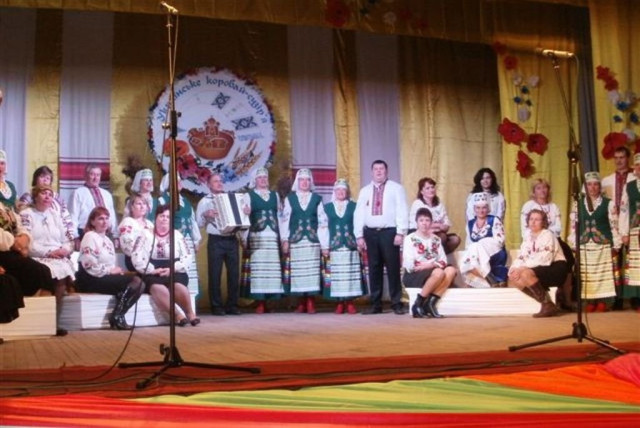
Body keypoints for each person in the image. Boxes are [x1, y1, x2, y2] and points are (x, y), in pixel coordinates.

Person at [354, 160, 409, 315]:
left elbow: (402, 209)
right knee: (374, 268)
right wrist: (359, 235)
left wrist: (400, 232)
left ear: (386, 171)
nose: (378, 171)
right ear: (372, 172)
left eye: (381, 169)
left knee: (393, 268)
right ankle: (376, 304)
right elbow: (359, 213)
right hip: (370, 233)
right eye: (376, 169)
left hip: (389, 232)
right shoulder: (365, 191)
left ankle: (396, 303)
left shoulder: (396, 188)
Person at [131, 204, 199, 326]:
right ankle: (177, 315)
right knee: (157, 287)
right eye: (162, 216)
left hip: (174, 269)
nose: (164, 219)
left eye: (168, 217)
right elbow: (136, 255)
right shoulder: (145, 234)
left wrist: (173, 269)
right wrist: (151, 270)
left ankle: (190, 314)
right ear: (156, 217)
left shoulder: (177, 235)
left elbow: (188, 255)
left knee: (178, 286)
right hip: (152, 271)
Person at [76, 207, 144, 330]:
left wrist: (116, 271)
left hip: (103, 275)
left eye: (107, 218)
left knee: (138, 281)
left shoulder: (108, 241)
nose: (104, 222)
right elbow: (88, 264)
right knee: (136, 282)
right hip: (90, 278)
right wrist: (109, 271)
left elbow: (109, 263)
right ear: (92, 222)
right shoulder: (90, 236)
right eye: (100, 219)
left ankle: (118, 315)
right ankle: (117, 316)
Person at [568, 172, 621, 312]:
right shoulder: (577, 204)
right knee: (587, 274)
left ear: (600, 186)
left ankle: (604, 301)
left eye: (596, 184)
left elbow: (614, 225)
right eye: (589, 184)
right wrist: (574, 241)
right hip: (585, 243)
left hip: (603, 243)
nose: (592, 187)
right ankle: (590, 301)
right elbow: (574, 225)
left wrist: (616, 243)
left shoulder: (608, 203)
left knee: (604, 273)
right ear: (585, 187)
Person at [520, 178, 575, 311]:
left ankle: (566, 298)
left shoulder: (553, 206)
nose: (542, 191)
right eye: (538, 188)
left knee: (569, 259)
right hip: (534, 240)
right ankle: (545, 299)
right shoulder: (528, 206)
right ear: (534, 191)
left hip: (553, 239)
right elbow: (525, 229)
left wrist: (546, 233)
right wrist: (538, 235)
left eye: (544, 187)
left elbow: (558, 228)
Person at [279, 168, 329, 314]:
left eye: (307, 180)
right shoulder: (290, 199)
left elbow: (322, 222)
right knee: (298, 272)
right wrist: (285, 239)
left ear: (310, 182)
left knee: (312, 272)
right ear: (297, 182)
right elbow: (285, 220)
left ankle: (311, 302)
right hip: (296, 240)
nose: (305, 183)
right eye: (302, 180)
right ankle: (301, 302)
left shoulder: (317, 199)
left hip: (312, 241)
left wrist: (324, 244)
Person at [196, 172, 242, 315]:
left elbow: (240, 219)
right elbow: (198, 223)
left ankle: (232, 305)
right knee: (215, 274)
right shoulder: (205, 201)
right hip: (216, 240)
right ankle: (216, 306)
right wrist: (205, 215)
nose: (219, 183)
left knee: (234, 274)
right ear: (209, 185)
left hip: (231, 238)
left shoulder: (231, 199)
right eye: (215, 181)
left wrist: (245, 212)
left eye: (220, 181)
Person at [509, 209, 568, 317]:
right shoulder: (528, 237)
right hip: (537, 267)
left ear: (543, 222)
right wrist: (514, 269)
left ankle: (547, 305)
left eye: (537, 219)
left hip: (555, 267)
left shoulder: (547, 235)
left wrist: (522, 268)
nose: (533, 222)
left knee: (526, 274)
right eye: (531, 219)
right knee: (513, 280)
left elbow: (545, 259)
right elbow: (522, 256)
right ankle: (547, 304)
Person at [241, 168, 284, 314]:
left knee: (272, 269)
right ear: (255, 180)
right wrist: (244, 237)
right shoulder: (248, 196)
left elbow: (280, 216)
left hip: (272, 236)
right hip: (257, 235)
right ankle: (259, 301)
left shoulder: (274, 195)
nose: (263, 180)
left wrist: (282, 237)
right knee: (258, 269)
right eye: (260, 178)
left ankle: (269, 301)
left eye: (265, 177)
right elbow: (243, 218)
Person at [20, 185, 76, 293]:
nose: (47, 197)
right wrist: (49, 253)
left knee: (63, 271)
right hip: (37, 256)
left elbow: (66, 238)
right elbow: (26, 242)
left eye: (50, 195)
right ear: (35, 197)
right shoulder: (26, 214)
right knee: (48, 273)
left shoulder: (55, 215)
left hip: (57, 257)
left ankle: (57, 304)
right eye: (43, 193)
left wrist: (64, 250)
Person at [403, 208, 456, 319]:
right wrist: (431, 265)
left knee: (451, 270)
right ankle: (418, 304)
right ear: (416, 222)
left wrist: (430, 265)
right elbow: (410, 264)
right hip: (414, 274)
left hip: (433, 270)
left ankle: (430, 304)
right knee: (439, 272)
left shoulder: (436, 239)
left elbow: (443, 260)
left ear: (431, 223)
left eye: (427, 220)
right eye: (421, 220)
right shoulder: (410, 239)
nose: (424, 223)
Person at [323, 179, 366, 314]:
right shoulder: (327, 207)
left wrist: (360, 240)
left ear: (347, 192)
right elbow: (323, 227)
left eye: (343, 189)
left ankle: (350, 302)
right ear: (334, 192)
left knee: (349, 274)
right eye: (338, 190)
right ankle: (339, 302)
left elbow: (359, 223)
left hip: (350, 245)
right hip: (335, 246)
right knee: (337, 275)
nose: (341, 192)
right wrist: (325, 245)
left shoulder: (354, 206)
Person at [601, 146, 635, 310]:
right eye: (616, 157)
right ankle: (616, 299)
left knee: (633, 262)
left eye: (622, 157)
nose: (619, 160)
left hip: (632, 223)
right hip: (613, 225)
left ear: (628, 158)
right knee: (614, 263)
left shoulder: (635, 177)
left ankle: (634, 297)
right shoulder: (607, 181)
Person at [158, 174, 201, 298]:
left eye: (180, 181)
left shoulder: (185, 201)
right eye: (176, 181)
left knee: (189, 268)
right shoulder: (163, 200)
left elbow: (192, 221)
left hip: (187, 240)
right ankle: (176, 298)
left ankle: (190, 299)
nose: (180, 183)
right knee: (177, 268)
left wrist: (196, 240)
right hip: (173, 241)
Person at [459, 192, 508, 288]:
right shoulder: (470, 224)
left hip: (495, 252)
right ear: (474, 209)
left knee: (477, 245)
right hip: (477, 254)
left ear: (488, 208)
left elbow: (500, 241)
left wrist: (482, 245)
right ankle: (488, 277)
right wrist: (477, 248)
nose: (481, 211)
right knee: (474, 247)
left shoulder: (494, 220)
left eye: (484, 208)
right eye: (478, 208)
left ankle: (487, 275)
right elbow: (469, 243)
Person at [17, 166, 75, 245]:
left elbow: (66, 219)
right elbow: (22, 221)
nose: (45, 180)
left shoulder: (58, 199)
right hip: (36, 237)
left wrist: (70, 240)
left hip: (56, 237)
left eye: (48, 178)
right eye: (42, 177)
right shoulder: (27, 197)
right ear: (35, 179)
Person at [408, 177, 460, 254]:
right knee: (441, 237)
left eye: (432, 187)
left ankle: (437, 255)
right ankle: (431, 257)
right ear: (422, 191)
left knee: (455, 239)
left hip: (437, 234)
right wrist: (438, 225)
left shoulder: (439, 204)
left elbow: (446, 225)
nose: (431, 190)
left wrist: (437, 226)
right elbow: (418, 224)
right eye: (427, 188)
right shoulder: (417, 204)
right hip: (421, 234)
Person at [68, 164, 119, 241]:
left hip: (105, 233)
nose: (95, 178)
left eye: (98, 175)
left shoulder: (106, 194)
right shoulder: (78, 193)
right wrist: (75, 236)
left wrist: (115, 234)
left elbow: (112, 215)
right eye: (92, 174)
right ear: (85, 176)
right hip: (85, 233)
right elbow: (73, 215)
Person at [619, 152, 640, 311]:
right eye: (638, 166)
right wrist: (624, 232)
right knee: (636, 264)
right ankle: (637, 298)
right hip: (635, 229)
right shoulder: (630, 186)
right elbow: (624, 210)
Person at [118, 193, 155, 271]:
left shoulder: (149, 223)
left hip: (150, 258)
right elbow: (127, 245)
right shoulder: (128, 222)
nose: (142, 206)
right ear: (132, 207)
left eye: (144, 204)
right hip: (134, 260)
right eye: (139, 204)